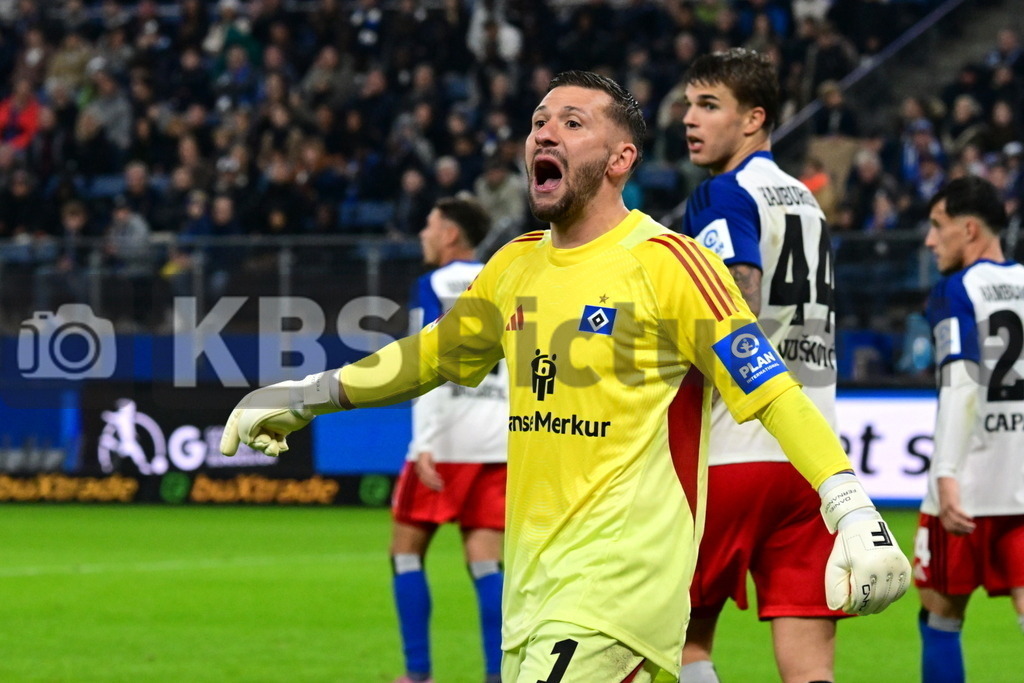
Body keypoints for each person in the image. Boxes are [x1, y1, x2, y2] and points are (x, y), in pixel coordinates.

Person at [221, 70, 911, 682]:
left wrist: (849, 504)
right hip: (536, 592)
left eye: (572, 122)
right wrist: (306, 395)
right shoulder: (515, 265)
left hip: (617, 590)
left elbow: (772, 392)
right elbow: (427, 357)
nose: (545, 131)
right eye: (538, 122)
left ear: (620, 159)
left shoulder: (669, 262)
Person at [677, 48, 848, 683]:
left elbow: (738, 299)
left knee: (679, 637)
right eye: (689, 105)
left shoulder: (722, 192)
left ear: (754, 119)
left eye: (708, 105)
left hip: (735, 450)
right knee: (810, 663)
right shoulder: (806, 198)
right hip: (812, 460)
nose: (689, 119)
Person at [391, 197, 508, 683]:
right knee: (485, 563)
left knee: (404, 552)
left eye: (430, 223)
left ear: (451, 235)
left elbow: (425, 362)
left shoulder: (433, 284)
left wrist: (423, 442)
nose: (423, 231)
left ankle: (418, 673)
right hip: (500, 439)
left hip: (446, 437)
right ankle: (497, 675)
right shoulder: (506, 277)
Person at [914, 176, 1024, 683]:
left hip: (968, 484)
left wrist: (947, 472)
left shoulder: (955, 291)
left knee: (940, 611)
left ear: (970, 228)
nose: (931, 240)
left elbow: (962, 382)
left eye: (939, 227)